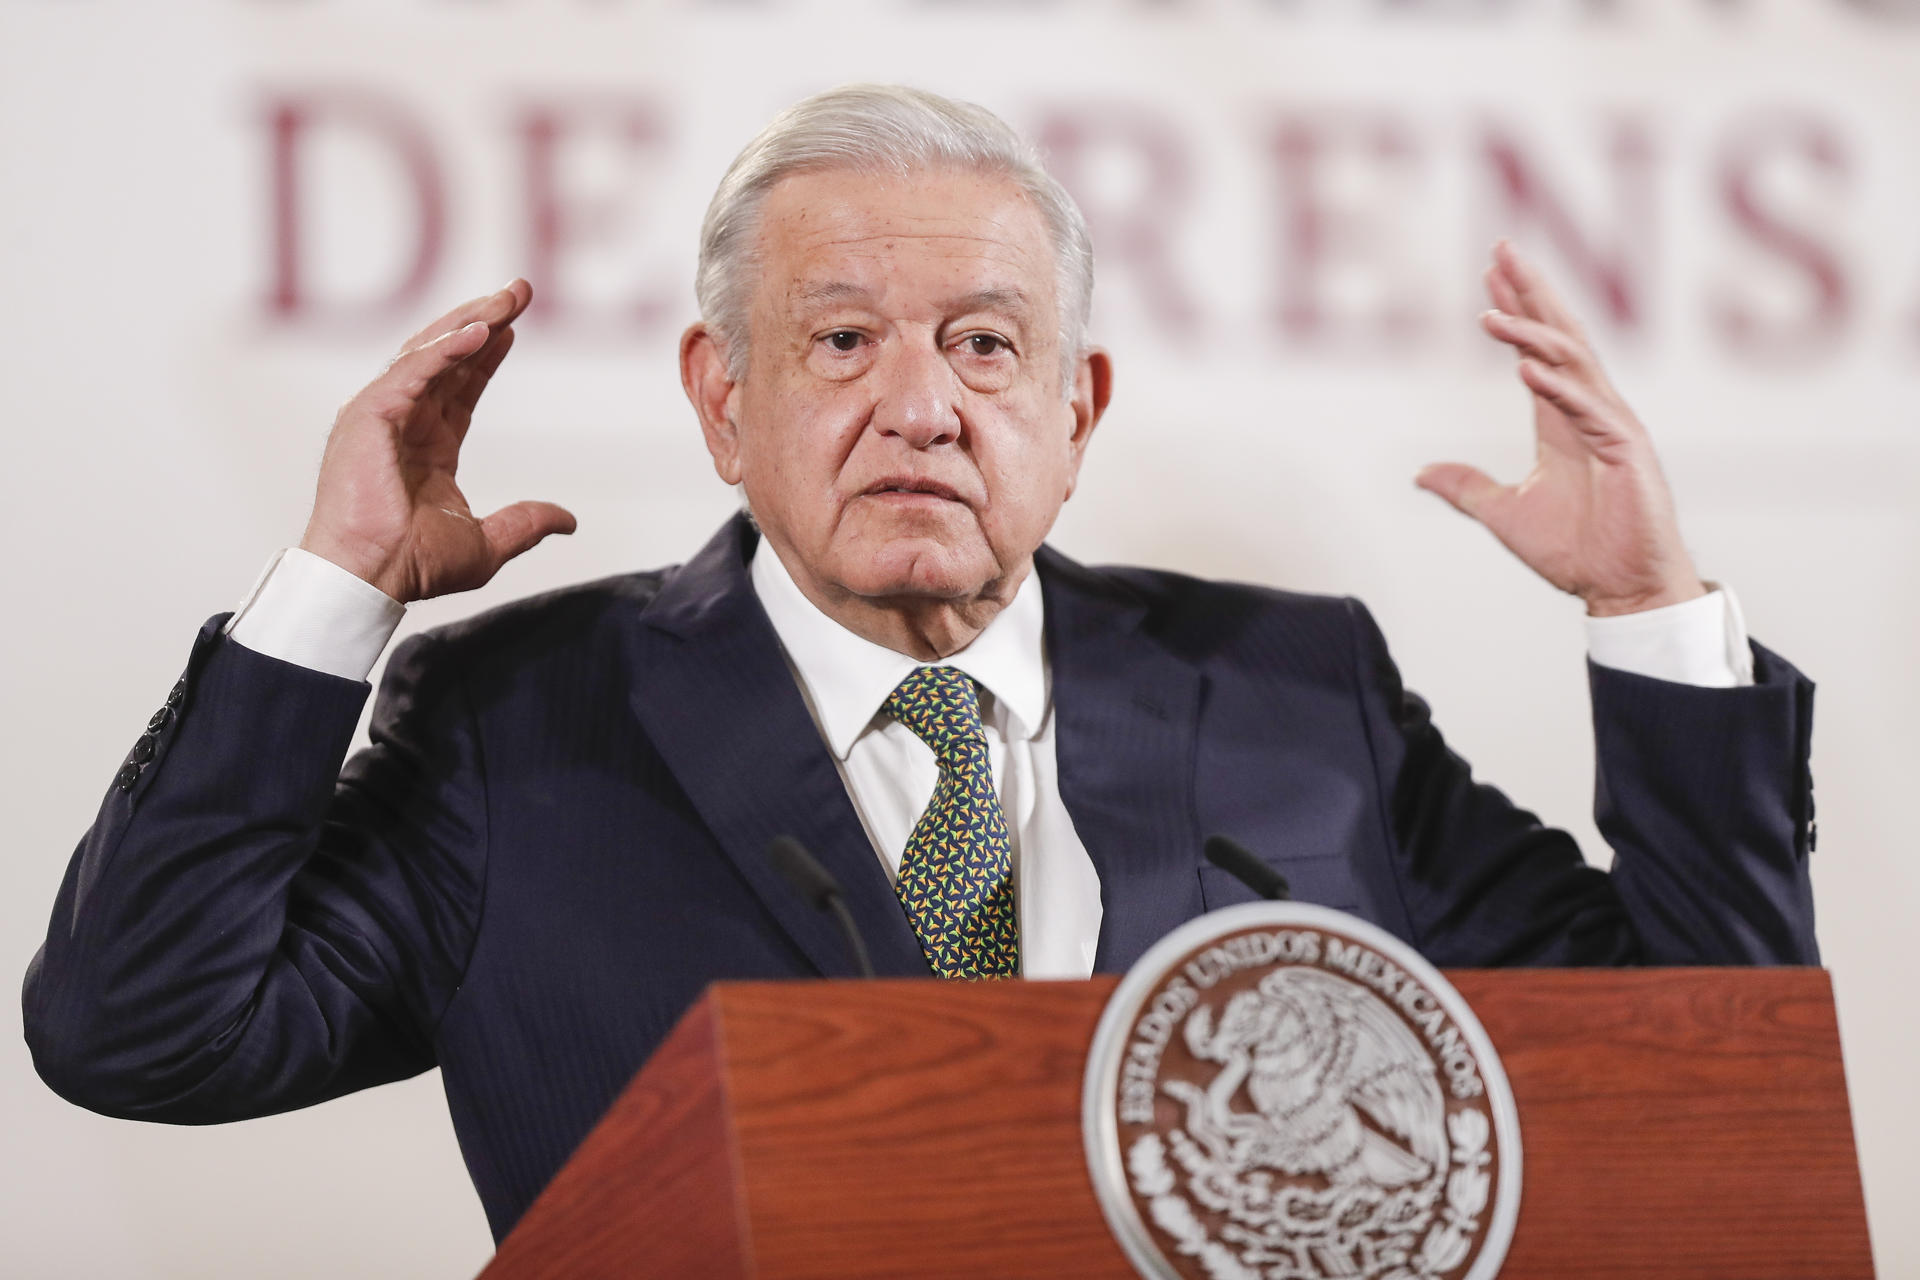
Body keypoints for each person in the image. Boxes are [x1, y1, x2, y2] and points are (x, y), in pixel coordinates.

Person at [23, 85, 1818, 1242]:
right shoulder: (522, 720)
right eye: (842, 341)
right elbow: (145, 1032)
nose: (920, 407)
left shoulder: (1293, 692)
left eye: (983, 343)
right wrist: (341, 585)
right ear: (725, 404)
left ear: (1074, 408)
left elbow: (1711, 1099)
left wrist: (1650, 614)